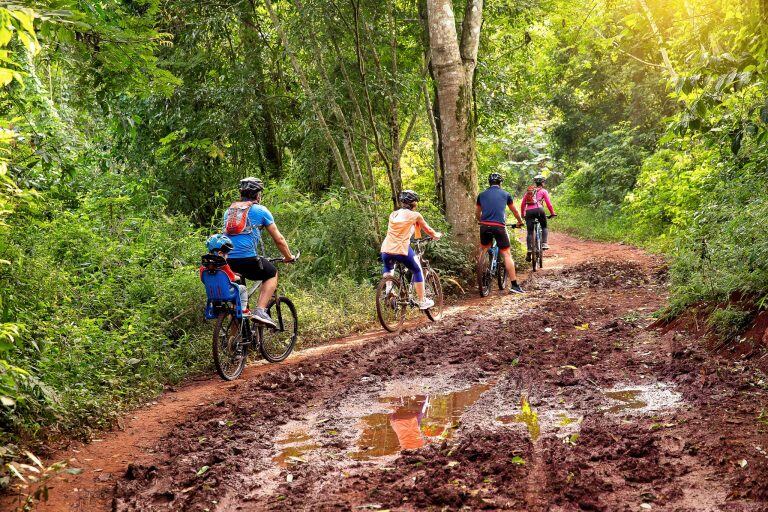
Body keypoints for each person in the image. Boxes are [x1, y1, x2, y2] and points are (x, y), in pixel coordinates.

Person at [222, 177, 295, 328]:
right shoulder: (261, 210)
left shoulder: (229, 212)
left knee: (239, 305)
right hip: (247, 260)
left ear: (241, 193)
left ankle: (234, 345)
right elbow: (279, 239)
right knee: (271, 273)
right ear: (257, 195)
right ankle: (260, 311)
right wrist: (288, 257)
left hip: (227, 261)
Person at [381, 190, 442, 310]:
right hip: (401, 249)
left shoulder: (393, 214)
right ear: (413, 203)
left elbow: (400, 231)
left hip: (386, 249)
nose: (416, 204)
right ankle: (422, 301)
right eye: (416, 202)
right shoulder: (415, 215)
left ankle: (389, 290)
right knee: (417, 270)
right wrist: (436, 235)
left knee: (389, 267)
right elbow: (428, 230)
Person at [475, 172, 525, 294]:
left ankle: (482, 273)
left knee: (484, 249)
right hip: (499, 227)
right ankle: (514, 285)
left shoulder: (481, 195)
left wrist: (481, 221)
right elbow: (515, 211)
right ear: (500, 183)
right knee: (507, 254)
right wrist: (520, 222)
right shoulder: (506, 194)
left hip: (484, 226)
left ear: (489, 183)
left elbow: (477, 212)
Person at [200, 234, 251, 316]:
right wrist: (238, 276)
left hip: (212, 293)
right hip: (227, 292)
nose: (227, 256)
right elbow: (233, 278)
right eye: (226, 254)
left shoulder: (204, 266)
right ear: (220, 253)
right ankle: (243, 309)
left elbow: (203, 279)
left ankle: (216, 307)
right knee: (243, 289)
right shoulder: (224, 265)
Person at [520, 174, 557, 261]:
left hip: (529, 212)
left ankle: (529, 249)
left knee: (529, 232)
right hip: (539, 210)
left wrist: (522, 214)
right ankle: (544, 243)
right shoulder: (543, 191)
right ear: (543, 183)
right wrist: (552, 213)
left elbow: (522, 204)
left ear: (535, 183)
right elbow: (548, 204)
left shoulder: (528, 192)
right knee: (544, 226)